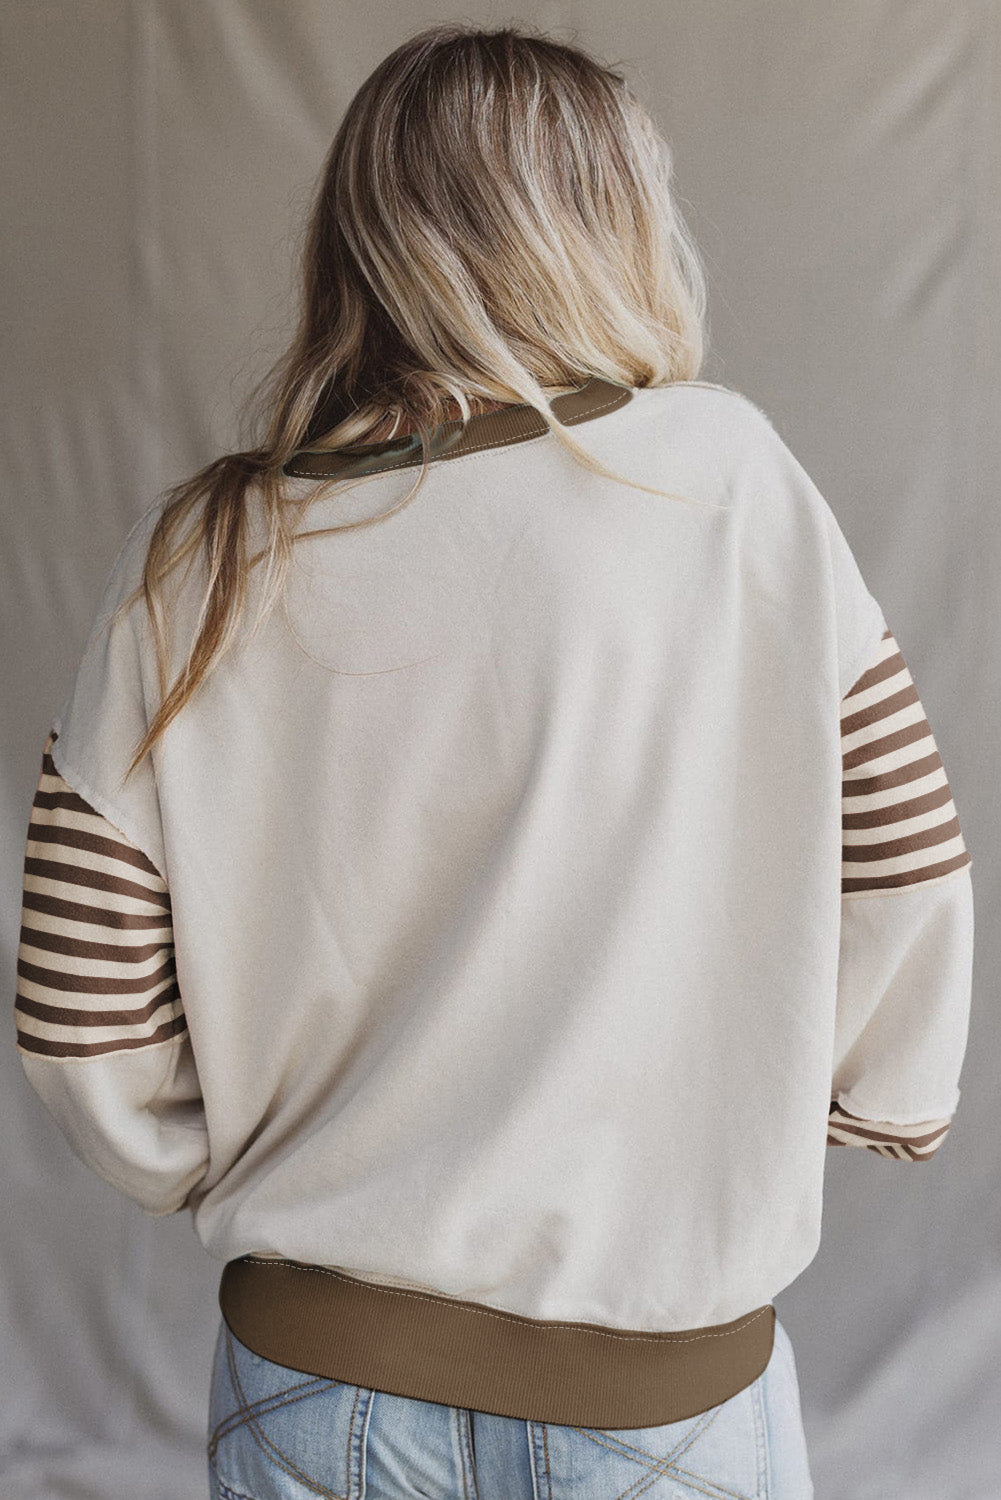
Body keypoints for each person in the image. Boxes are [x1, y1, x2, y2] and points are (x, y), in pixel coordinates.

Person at [14, 21, 974, 1500]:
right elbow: (904, 878)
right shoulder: (726, 486)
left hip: (313, 1381)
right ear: (613, 227)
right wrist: (827, 1097)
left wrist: (276, 1175)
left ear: (360, 240)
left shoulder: (203, 556)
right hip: (668, 1397)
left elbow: (79, 1017)